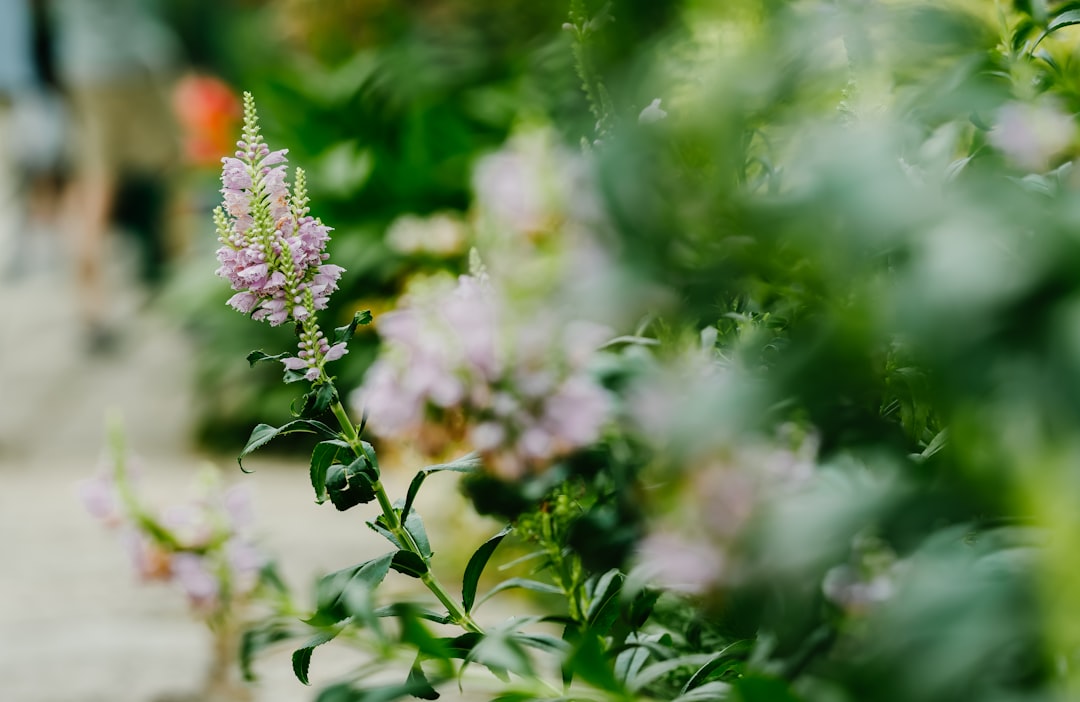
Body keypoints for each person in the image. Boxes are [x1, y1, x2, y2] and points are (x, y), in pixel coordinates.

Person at [49, 0, 183, 350]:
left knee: (94, 181)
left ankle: (92, 307)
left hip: (83, 62)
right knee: (168, 170)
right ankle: (179, 288)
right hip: (131, 61)